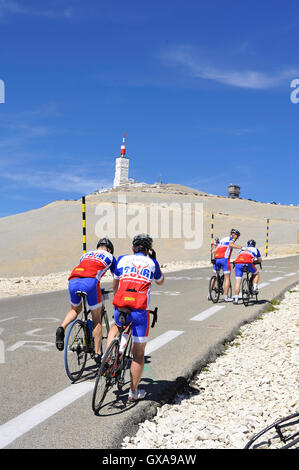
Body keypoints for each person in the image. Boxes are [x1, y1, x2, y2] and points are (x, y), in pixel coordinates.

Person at [106, 233, 164, 401]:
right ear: (149, 249)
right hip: (140, 309)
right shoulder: (152, 262)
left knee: (115, 327)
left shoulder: (123, 259)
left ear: (133, 247)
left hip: (121, 304)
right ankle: (133, 392)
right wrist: (154, 259)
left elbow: (116, 282)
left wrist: (117, 299)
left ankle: (107, 358)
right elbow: (160, 281)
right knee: (138, 354)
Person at [55, 238, 116, 364]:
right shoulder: (110, 256)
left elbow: (86, 266)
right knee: (97, 319)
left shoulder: (85, 255)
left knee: (75, 309)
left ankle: (62, 327)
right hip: (91, 282)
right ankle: (98, 353)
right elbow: (117, 276)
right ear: (109, 249)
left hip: (73, 280)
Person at [209, 229, 245, 302]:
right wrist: (241, 247)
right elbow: (231, 245)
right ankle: (226, 297)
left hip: (216, 259)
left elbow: (212, 251)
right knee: (227, 278)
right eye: (237, 236)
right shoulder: (231, 239)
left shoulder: (222, 240)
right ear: (233, 234)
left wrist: (215, 245)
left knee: (214, 276)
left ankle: (209, 294)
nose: (237, 238)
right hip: (225, 260)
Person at [233, 239, 262, 305]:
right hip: (248, 263)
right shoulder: (255, 249)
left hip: (238, 263)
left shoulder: (242, 249)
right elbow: (260, 260)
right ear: (254, 245)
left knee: (238, 281)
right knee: (256, 273)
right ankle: (254, 288)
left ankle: (236, 299)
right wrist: (256, 261)